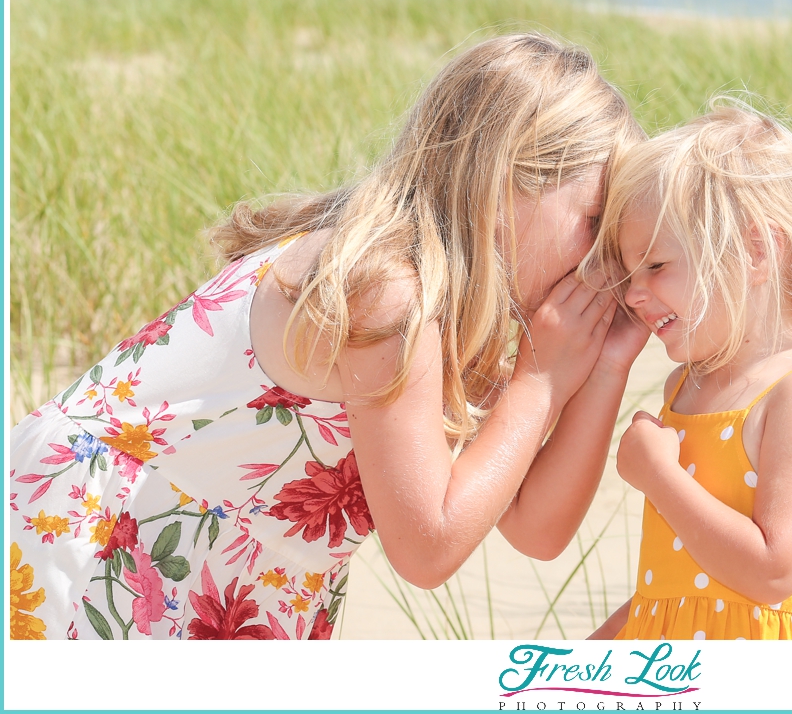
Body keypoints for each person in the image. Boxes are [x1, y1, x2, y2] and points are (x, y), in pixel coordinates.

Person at [8, 33, 650, 640]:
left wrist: (604, 364)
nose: (603, 260)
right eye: (595, 220)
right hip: (87, 544)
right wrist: (537, 385)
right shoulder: (389, 290)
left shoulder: (457, 308)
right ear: (505, 182)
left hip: (203, 569)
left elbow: (535, 529)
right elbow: (426, 548)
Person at [582, 100, 792, 641]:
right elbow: (678, 582)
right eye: (629, 271)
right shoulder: (685, 388)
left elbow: (773, 572)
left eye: (658, 265)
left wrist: (659, 477)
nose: (634, 293)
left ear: (756, 251)